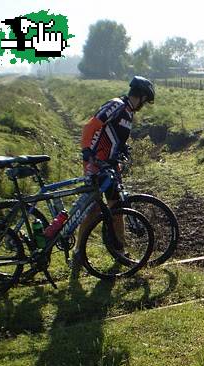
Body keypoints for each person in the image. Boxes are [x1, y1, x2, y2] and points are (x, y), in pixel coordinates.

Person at [70, 76, 155, 268]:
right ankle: (77, 253)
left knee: (118, 209)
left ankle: (120, 251)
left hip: (110, 166)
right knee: (93, 210)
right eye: (145, 100)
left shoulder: (128, 113)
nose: (144, 105)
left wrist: (122, 149)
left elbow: (114, 137)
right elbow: (91, 126)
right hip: (96, 163)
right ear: (140, 96)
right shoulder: (116, 105)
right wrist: (86, 150)